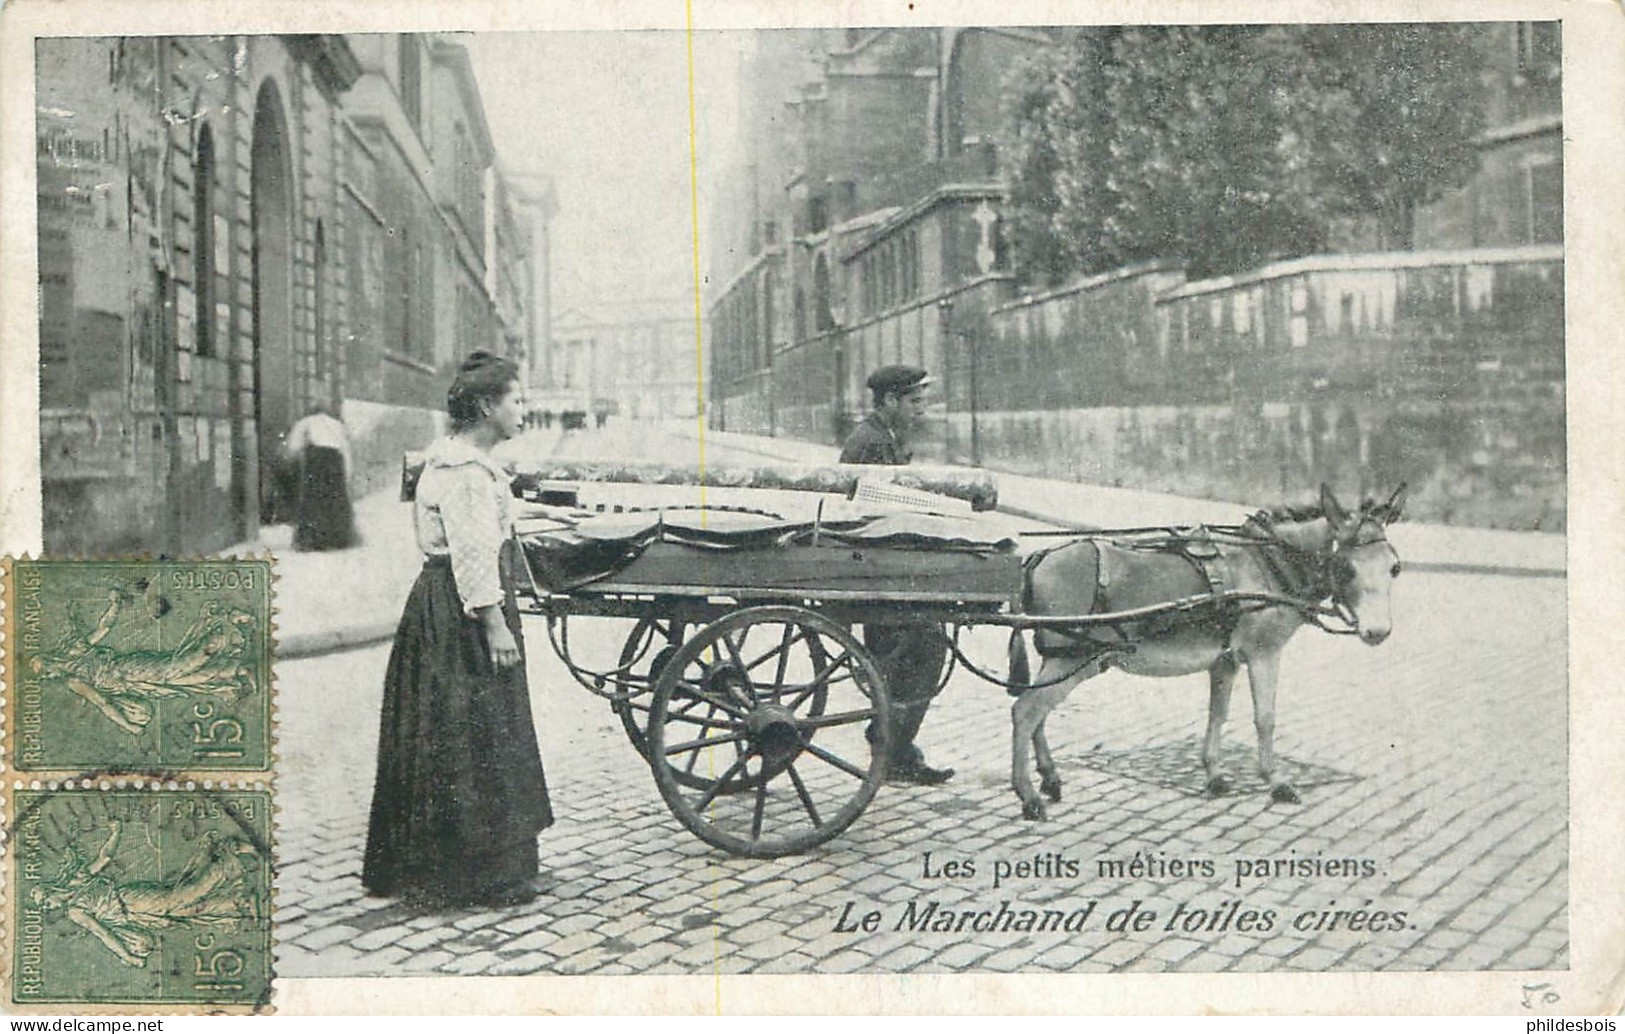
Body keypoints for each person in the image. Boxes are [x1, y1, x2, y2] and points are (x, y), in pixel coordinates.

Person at [362, 352, 554, 908]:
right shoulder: (466, 474)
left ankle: (457, 864)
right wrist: (495, 625)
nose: (524, 410)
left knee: (454, 734)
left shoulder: (458, 464)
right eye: (517, 400)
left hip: (442, 609)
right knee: (478, 735)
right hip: (464, 614)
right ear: (488, 406)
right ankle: (482, 874)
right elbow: (472, 556)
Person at [840, 364, 954, 786]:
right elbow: (874, 511)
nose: (920, 410)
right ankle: (893, 749)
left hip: (877, 569)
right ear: (890, 401)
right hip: (874, 576)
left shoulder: (879, 437)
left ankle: (893, 743)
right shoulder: (871, 443)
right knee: (928, 646)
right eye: (914, 401)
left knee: (918, 649)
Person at [285, 401, 359, 551]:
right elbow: (345, 449)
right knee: (335, 499)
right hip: (335, 461)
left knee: (314, 500)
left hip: (316, 461)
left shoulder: (305, 422)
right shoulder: (337, 424)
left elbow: (294, 446)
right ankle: (337, 539)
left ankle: (313, 539)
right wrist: (347, 473)